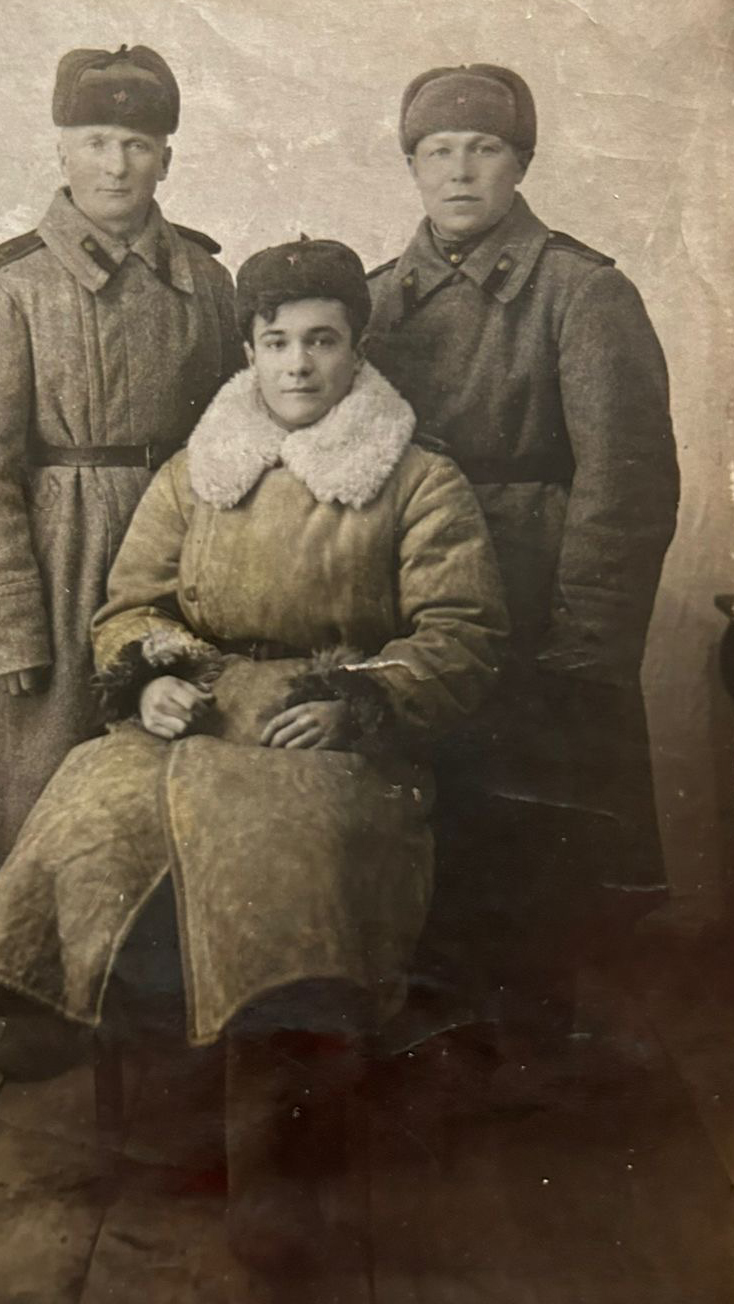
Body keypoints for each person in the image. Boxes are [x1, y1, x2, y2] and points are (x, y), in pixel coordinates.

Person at [0, 237, 508, 1270]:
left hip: (331, 729)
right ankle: (79, 1021)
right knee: (90, 802)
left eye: (322, 341)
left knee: (285, 871)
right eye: (277, 342)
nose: (298, 364)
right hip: (201, 713)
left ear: (356, 349)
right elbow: (132, 604)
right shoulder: (197, 469)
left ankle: (277, 1172)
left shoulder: (416, 476)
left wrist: (359, 703)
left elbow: (460, 632)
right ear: (248, 350)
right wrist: (150, 675)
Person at [365, 64, 679, 1051]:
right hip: (416, 603)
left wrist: (587, 646)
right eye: (438, 151)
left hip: (538, 599)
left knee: (540, 848)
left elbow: (627, 485)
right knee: (428, 829)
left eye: (484, 149)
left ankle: (534, 1065)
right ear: (412, 165)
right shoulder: (373, 302)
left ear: (521, 162)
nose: (459, 171)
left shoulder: (582, 292)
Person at [0, 46, 243, 990]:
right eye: (96, 141)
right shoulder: (9, 289)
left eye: (137, 144)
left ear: (166, 157)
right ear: (62, 149)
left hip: (179, 555)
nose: (116, 164)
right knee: (43, 780)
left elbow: (237, 427)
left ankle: (153, 989)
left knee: (172, 769)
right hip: (59, 568)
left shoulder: (208, 282)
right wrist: (2, 629)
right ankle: (29, 994)